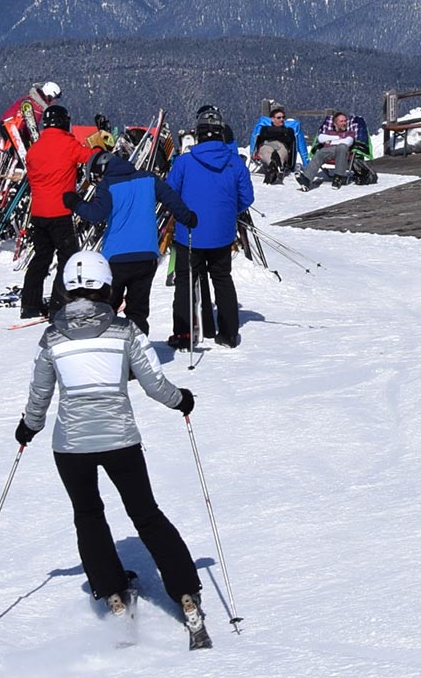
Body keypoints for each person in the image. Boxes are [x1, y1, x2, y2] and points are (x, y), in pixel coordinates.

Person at [16, 250, 212, 646]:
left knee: (88, 515)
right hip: (120, 440)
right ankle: (186, 594)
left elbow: (40, 392)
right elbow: (155, 382)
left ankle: (113, 594)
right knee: (147, 515)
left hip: (71, 446)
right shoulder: (125, 331)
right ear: (107, 286)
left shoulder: (52, 336)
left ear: (66, 288)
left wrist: (28, 427)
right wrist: (182, 400)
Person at [69, 147, 195, 337]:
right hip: (147, 256)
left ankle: (106, 349)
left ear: (102, 170)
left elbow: (96, 214)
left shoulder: (108, 185)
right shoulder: (149, 179)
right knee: (138, 310)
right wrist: (188, 218)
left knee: (107, 308)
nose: (97, 182)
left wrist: (75, 203)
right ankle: (139, 354)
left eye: (96, 177)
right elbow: (173, 200)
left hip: (116, 258)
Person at [165, 112, 254, 349]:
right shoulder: (234, 162)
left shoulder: (184, 162)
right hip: (222, 234)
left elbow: (170, 194)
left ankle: (184, 334)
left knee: (185, 280)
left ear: (198, 135)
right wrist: (226, 212)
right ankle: (229, 333)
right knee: (222, 278)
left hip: (189, 232)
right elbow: (247, 198)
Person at [20, 104, 99, 320]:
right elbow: (89, 158)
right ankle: (59, 304)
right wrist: (100, 149)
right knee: (67, 259)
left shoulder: (34, 149)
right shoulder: (68, 144)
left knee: (40, 258)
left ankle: (29, 304)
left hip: (38, 211)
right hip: (61, 211)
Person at [2, 80, 62, 158]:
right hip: (14, 130)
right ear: (49, 96)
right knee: (26, 155)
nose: (55, 101)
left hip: (6, 124)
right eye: (55, 98)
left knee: (17, 152)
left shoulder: (31, 99)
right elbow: (31, 128)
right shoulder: (37, 107)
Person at [249, 104, 306, 183]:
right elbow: (264, 135)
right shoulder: (265, 129)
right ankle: (274, 165)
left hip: (282, 146)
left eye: (283, 117)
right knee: (266, 151)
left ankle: (273, 166)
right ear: (272, 119)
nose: (282, 119)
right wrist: (281, 134)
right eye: (279, 118)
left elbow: (288, 138)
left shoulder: (289, 130)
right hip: (267, 145)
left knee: (280, 153)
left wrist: (274, 134)